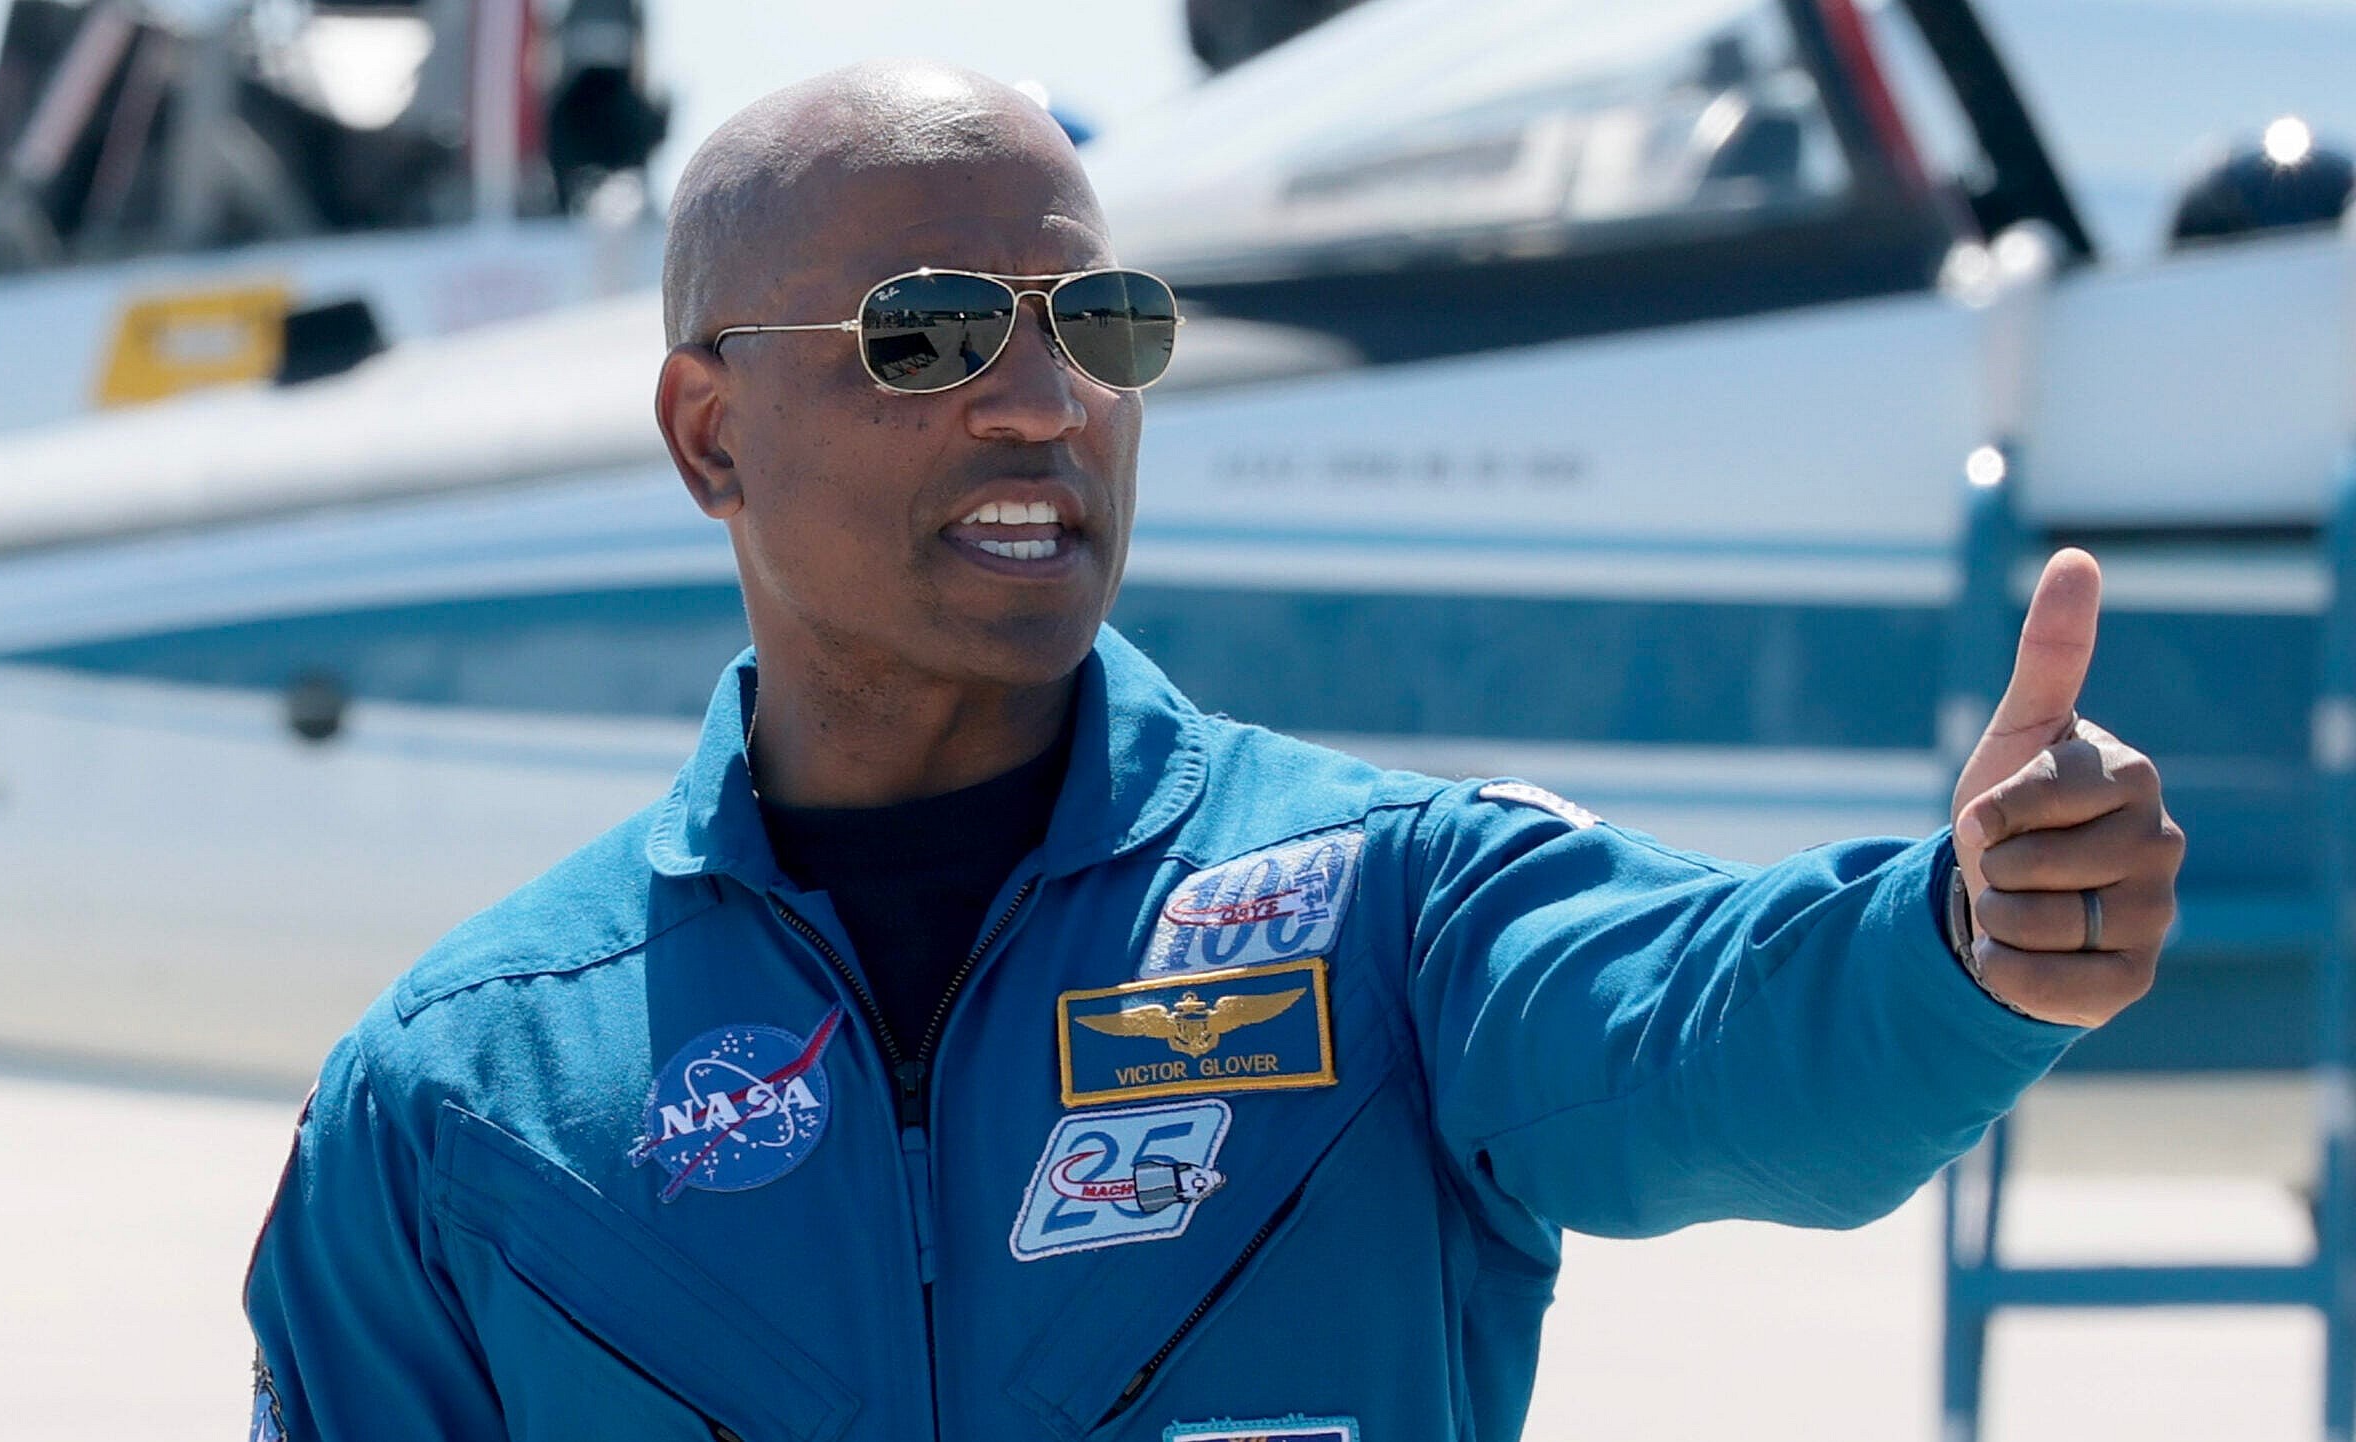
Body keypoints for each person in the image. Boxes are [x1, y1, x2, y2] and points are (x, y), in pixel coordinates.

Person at [243, 62, 2182, 1442]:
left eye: (1102, 321)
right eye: (925, 335)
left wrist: (1960, 938)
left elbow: (1703, 1035)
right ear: (707, 435)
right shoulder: (457, 1099)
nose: (1042, 401)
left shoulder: (1390, 918)